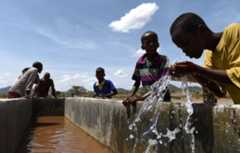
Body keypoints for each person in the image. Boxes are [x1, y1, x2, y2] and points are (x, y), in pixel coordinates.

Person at [169, 12, 240, 104]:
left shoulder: (234, 32)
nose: (184, 51)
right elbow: (219, 91)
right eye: (181, 48)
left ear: (201, 30)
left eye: (186, 43)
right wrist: (194, 72)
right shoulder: (209, 55)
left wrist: (197, 69)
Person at [123, 31, 170, 107]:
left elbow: (162, 84)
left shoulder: (163, 60)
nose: (151, 44)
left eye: (154, 41)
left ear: (158, 44)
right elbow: (137, 82)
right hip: (147, 98)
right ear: (143, 46)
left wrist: (142, 97)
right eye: (148, 42)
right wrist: (130, 96)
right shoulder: (140, 62)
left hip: (163, 99)